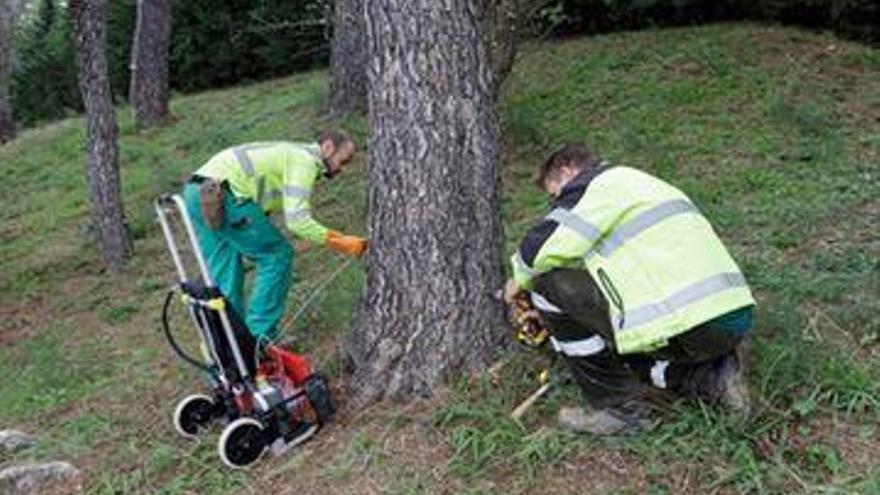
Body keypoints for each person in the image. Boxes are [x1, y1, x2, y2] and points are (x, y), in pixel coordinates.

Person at [504, 144, 755, 434]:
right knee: (619, 347)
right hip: (729, 317)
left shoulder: (593, 187)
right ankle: (714, 378)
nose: (556, 205)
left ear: (567, 170)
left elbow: (542, 248)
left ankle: (620, 411)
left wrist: (516, 282)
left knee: (546, 286)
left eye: (555, 194)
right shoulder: (640, 184)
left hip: (684, 322)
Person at [183, 130, 367, 343]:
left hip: (196, 192)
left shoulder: (290, 152)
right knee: (276, 256)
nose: (341, 169)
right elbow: (298, 222)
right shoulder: (304, 160)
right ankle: (260, 342)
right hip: (222, 194)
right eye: (343, 160)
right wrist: (342, 242)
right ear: (327, 147)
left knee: (225, 270)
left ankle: (228, 348)